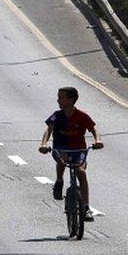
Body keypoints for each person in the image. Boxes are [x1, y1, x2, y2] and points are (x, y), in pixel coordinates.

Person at [38, 87, 103, 221]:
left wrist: (98, 140)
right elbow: (48, 130)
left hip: (78, 150)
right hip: (61, 148)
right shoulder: (57, 115)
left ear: (71, 100)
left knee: (81, 172)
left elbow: (93, 129)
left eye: (61, 97)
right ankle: (59, 180)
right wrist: (44, 144)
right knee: (63, 159)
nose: (58, 100)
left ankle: (85, 207)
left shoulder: (82, 116)